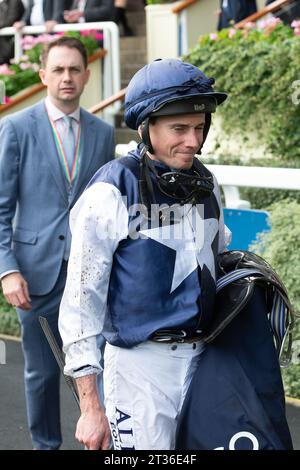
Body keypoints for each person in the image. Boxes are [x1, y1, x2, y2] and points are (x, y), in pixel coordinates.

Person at [58, 58, 231, 450]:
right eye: (179, 129)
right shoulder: (111, 189)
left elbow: (216, 257)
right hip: (140, 368)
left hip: (206, 362)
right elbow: (81, 303)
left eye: (200, 128)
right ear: (145, 127)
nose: (193, 141)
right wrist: (91, 406)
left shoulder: (208, 183)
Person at [0, 36, 115, 450]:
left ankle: (105, 444)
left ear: (86, 75)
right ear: (43, 75)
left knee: (100, 368)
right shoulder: (15, 127)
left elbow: (108, 205)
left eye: (75, 70)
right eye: (59, 69)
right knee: (43, 374)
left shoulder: (102, 133)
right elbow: (0, 206)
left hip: (92, 273)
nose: (67, 77)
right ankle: (45, 447)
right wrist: (7, 269)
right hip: (37, 273)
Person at [0, 0, 25, 64]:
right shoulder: (2, 3)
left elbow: (11, 19)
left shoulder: (15, 1)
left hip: (12, 44)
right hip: (4, 45)